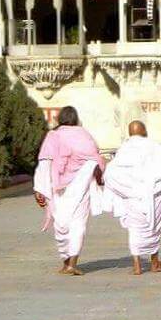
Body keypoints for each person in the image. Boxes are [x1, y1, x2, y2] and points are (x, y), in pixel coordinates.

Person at [103, 121, 161, 275]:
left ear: (130, 133)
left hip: (132, 197)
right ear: (144, 131)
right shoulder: (154, 147)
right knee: (153, 228)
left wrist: (128, 189)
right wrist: (159, 183)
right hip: (153, 194)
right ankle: (155, 262)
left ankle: (137, 265)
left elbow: (110, 174)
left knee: (135, 230)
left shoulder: (124, 150)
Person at [33, 106, 106, 275]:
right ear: (75, 119)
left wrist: (39, 189)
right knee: (78, 223)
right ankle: (72, 263)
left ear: (60, 119)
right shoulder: (85, 135)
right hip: (81, 185)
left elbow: (45, 162)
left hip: (59, 187)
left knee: (61, 224)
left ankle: (67, 262)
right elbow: (96, 159)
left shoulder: (53, 136)